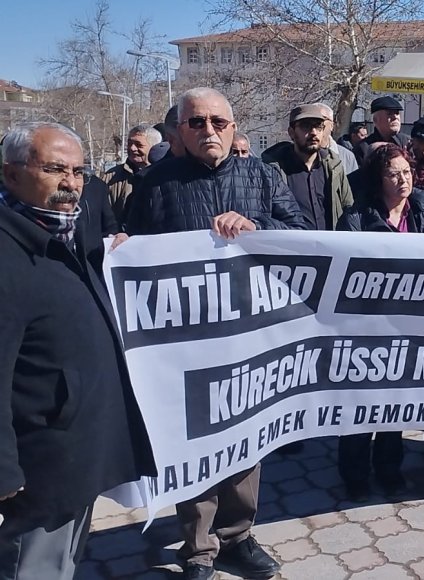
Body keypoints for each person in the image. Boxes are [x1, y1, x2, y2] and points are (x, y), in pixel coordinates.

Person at [127, 87, 307, 579]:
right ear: (178, 131)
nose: (209, 131)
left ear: (233, 126)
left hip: (250, 338)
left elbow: (300, 232)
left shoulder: (261, 175)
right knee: (195, 443)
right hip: (186, 343)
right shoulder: (155, 184)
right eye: (196, 122)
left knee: (246, 439)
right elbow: (133, 250)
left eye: (218, 122)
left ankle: (238, 536)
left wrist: (257, 225)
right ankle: (198, 548)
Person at [0, 122, 154, 580]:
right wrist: (4, 470)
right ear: (11, 174)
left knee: (64, 562)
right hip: (38, 464)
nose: (70, 183)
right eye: (54, 169)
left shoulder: (70, 232)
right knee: (32, 567)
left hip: (76, 450)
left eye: (79, 171)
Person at [336, 144, 424, 501]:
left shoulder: (422, 214)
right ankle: (354, 475)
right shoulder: (356, 219)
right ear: (378, 180)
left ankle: (389, 469)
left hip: (407, 325)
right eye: (393, 174)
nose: (402, 180)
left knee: (394, 405)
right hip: (366, 327)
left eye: (406, 172)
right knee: (360, 408)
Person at [261, 103, 354, 231]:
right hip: (291, 242)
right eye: (306, 126)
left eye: (318, 126)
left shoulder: (334, 166)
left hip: (330, 242)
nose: (313, 132)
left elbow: (348, 208)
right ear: (291, 132)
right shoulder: (273, 170)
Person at [105, 123, 161, 222]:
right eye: (130, 143)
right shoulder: (111, 177)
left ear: (154, 147)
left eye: (138, 145)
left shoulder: (164, 175)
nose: (132, 148)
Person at [353, 96, 411, 164]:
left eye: (397, 113)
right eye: (389, 114)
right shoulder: (364, 148)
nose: (395, 117)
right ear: (375, 120)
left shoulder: (407, 142)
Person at [316, 103, 359, 174]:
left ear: (332, 125)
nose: (315, 125)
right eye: (309, 122)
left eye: (321, 120)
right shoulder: (299, 155)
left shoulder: (347, 156)